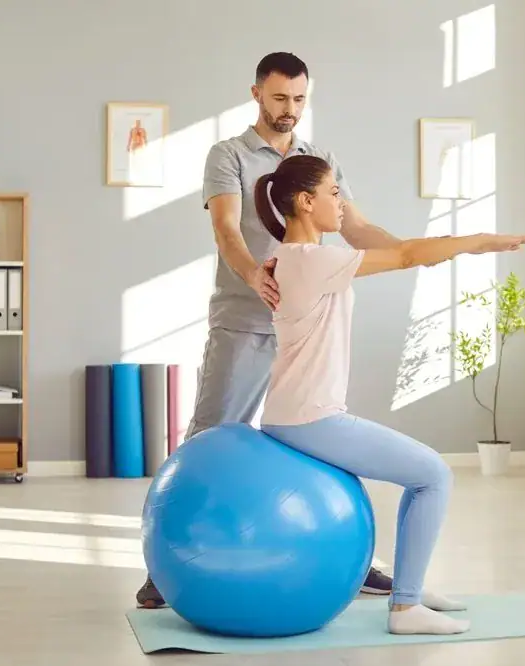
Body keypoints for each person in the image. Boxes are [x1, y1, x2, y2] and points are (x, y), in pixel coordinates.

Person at [136, 51, 402, 608]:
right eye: (280, 98)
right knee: (213, 435)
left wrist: (413, 253)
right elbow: (227, 230)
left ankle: (351, 557)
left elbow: (353, 226)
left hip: (309, 326)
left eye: (300, 99)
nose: (290, 110)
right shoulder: (227, 154)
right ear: (256, 93)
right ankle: (165, 566)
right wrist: (256, 274)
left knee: (324, 439)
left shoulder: (318, 157)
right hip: (246, 317)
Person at [254, 154, 525, 635]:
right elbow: (406, 255)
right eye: (332, 194)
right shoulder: (313, 259)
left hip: (293, 412)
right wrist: (482, 242)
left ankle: (412, 587)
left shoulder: (290, 258)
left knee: (423, 476)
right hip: (311, 418)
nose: (341, 203)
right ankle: (406, 608)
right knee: (433, 474)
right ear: (306, 202)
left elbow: (403, 251)